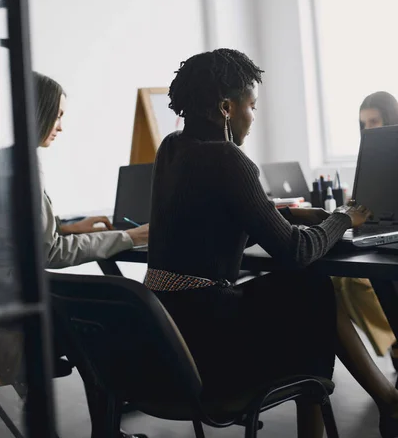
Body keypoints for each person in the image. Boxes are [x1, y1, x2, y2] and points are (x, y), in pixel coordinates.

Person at [144, 48, 380, 438]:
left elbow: (218, 219)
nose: (253, 118)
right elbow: (297, 251)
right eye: (250, 106)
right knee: (310, 286)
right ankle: (375, 404)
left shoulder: (171, 149)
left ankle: (385, 401)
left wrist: (291, 214)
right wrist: (343, 218)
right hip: (212, 348)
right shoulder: (228, 159)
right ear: (225, 107)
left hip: (168, 337)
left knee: (300, 292)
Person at [34, 71, 149, 268]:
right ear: (40, 112)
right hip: (14, 293)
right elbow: (50, 252)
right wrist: (129, 237)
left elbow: (20, 234)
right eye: (57, 116)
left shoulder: (9, 161)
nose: (60, 127)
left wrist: (66, 228)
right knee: (136, 297)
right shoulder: (22, 171)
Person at [333, 91, 398, 370]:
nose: (369, 129)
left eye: (374, 121)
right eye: (364, 124)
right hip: (380, 227)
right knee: (344, 279)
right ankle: (395, 342)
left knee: (366, 278)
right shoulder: (370, 157)